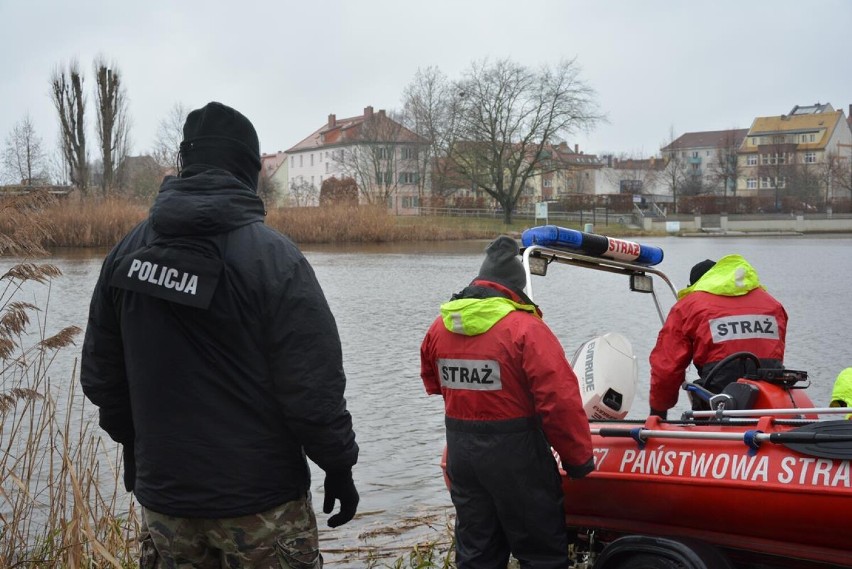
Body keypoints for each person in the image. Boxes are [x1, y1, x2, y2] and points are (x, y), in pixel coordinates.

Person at [80, 101, 359, 568]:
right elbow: (313, 387)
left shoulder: (125, 254)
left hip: (166, 504)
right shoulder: (274, 260)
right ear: (249, 173)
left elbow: (102, 376)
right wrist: (338, 465)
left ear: (186, 164)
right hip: (260, 504)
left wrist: (134, 445)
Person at [420, 235, 594, 569]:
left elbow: (434, 383)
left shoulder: (439, 327)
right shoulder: (525, 329)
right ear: (517, 288)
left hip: (462, 453)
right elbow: (558, 402)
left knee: (477, 552)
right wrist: (578, 460)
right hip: (517, 457)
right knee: (541, 553)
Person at [649, 254, 788, 418]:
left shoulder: (689, 306)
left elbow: (666, 368)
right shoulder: (772, 305)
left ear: (696, 285)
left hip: (718, 405)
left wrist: (658, 414)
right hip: (771, 406)